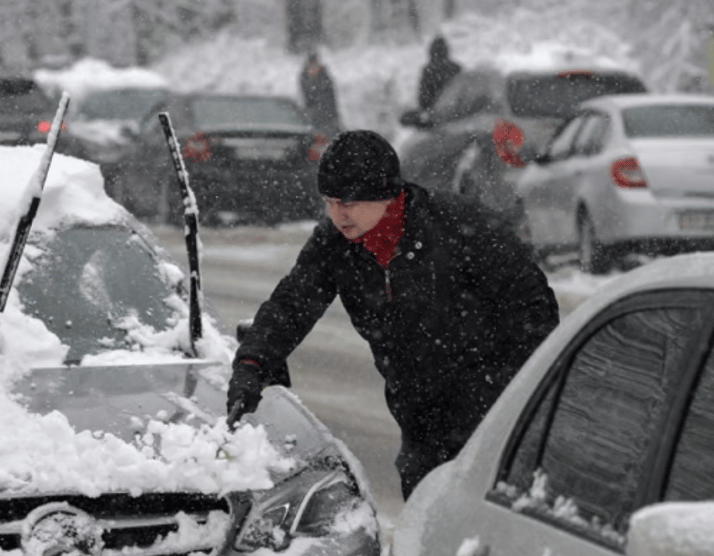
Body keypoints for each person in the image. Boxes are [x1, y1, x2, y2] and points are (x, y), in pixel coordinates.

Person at [226, 129, 559, 498]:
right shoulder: (337, 244)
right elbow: (291, 303)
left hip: (495, 412)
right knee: (424, 516)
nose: (338, 214)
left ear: (385, 195)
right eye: (330, 202)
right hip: (419, 415)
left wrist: (508, 391)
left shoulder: (461, 230)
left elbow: (535, 311)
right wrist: (252, 363)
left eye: (349, 203)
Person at [299, 51, 342, 139]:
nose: (313, 69)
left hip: (327, 118)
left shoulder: (325, 79)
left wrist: (334, 118)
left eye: (315, 66)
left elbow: (331, 101)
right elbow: (307, 100)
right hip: (313, 119)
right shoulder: (305, 79)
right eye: (311, 67)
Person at [417, 35, 461, 112]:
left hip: (437, 109)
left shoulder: (428, 70)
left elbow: (423, 99)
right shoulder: (456, 68)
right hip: (455, 108)